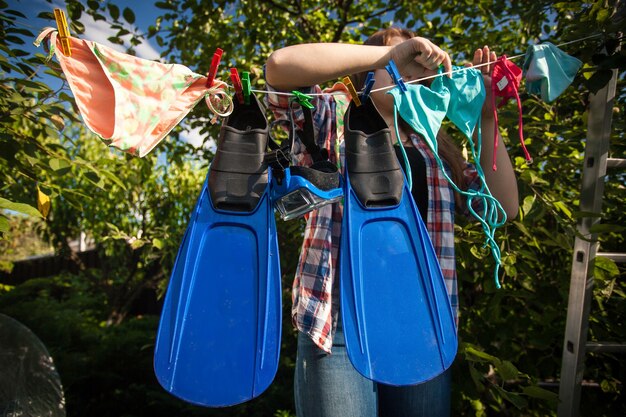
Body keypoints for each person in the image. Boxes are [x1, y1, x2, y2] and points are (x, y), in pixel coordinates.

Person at [264, 27, 519, 417]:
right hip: (339, 326)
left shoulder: (434, 147)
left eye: (418, 68)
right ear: (364, 72)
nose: (410, 72)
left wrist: (487, 116)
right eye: (398, 62)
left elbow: (503, 206)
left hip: (422, 326)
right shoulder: (331, 122)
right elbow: (279, 67)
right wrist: (390, 54)